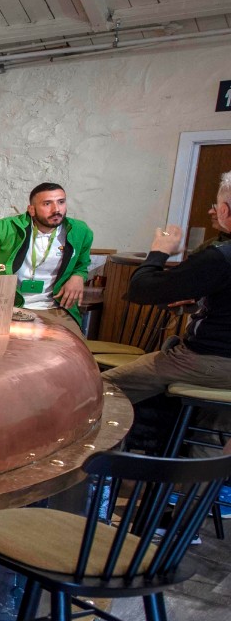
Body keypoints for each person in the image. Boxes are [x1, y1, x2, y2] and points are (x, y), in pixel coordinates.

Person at [102, 172, 231, 439]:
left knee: (99, 389)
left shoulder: (221, 256)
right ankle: (199, 478)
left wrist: (160, 250)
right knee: (211, 429)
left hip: (210, 362)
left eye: (217, 206)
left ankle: (98, 471)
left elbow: (142, 289)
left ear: (226, 210)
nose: (212, 210)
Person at [0, 183, 94, 336]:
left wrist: (78, 276)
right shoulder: (6, 228)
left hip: (56, 309)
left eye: (61, 202)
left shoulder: (80, 231)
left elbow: (82, 264)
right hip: (7, 306)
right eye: (47, 204)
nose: (56, 209)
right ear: (31, 209)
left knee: (72, 352)